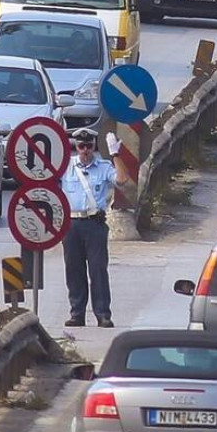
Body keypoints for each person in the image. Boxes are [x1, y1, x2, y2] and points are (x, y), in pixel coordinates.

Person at [60, 127, 128, 327]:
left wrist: (115, 153)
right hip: (71, 223)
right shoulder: (66, 167)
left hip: (94, 223)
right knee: (74, 270)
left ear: (94, 146)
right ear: (76, 147)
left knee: (98, 270)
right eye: (81, 146)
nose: (85, 150)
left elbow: (122, 180)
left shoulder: (104, 167)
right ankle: (77, 313)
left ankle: (102, 314)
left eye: (89, 146)